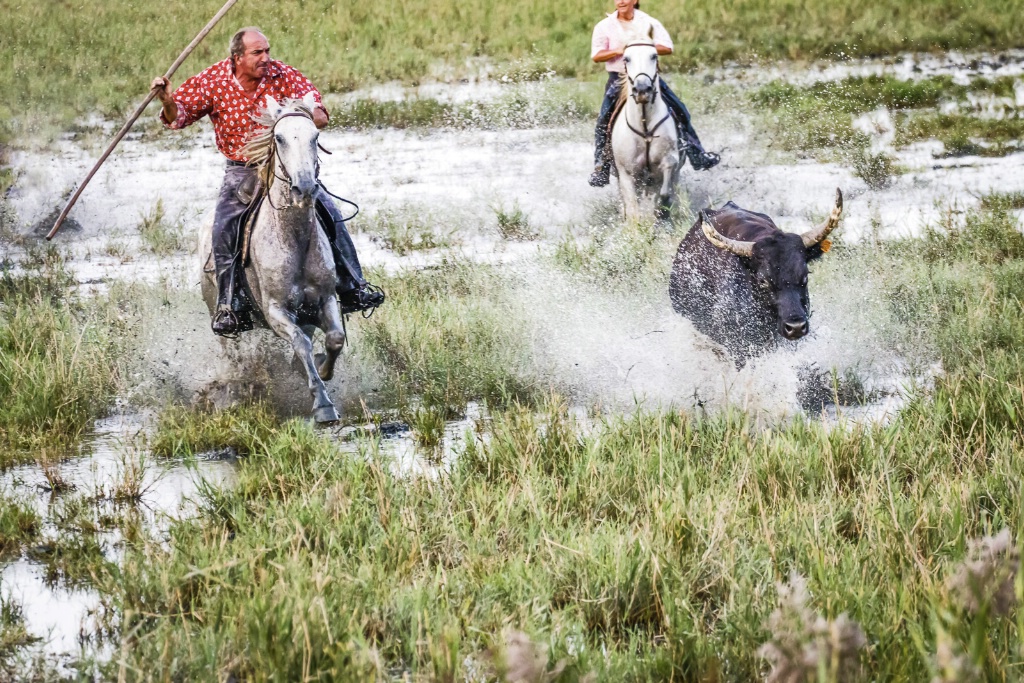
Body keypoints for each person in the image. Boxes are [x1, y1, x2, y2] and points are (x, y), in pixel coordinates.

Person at [151, 27, 384, 337]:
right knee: (223, 226)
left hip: (285, 166)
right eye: (257, 53)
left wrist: (295, 115)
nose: (266, 58)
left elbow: (320, 114)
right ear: (237, 58)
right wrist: (167, 99)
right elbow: (178, 117)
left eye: (267, 51)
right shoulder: (212, 81)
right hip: (242, 170)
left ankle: (354, 284)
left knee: (329, 211)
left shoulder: (282, 75)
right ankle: (229, 303)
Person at [589, 0, 720, 187]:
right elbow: (597, 55)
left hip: (649, 78)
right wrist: (622, 50)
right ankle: (601, 166)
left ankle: (696, 153)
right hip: (619, 79)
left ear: (634, 0)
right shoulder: (604, 26)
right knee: (604, 119)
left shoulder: (648, 22)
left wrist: (643, 47)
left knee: (679, 109)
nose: (621, 1)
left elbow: (667, 47)